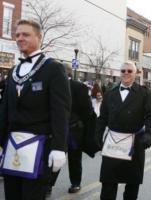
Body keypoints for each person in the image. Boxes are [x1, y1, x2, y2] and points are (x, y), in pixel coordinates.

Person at [0, 19, 71, 200]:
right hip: (13, 147)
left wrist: (59, 147)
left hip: (40, 148)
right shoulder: (14, 70)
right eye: (17, 35)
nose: (20, 38)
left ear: (39, 37)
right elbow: (5, 111)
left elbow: (61, 112)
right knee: (11, 195)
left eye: (25, 34)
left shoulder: (54, 68)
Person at [95, 61, 151, 200]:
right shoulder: (110, 94)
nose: (126, 73)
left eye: (129, 71)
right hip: (112, 143)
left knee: (132, 185)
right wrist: (97, 136)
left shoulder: (144, 93)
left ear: (135, 74)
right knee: (108, 184)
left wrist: (149, 133)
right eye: (123, 70)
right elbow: (102, 118)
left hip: (134, 144)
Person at [47, 63, 96, 196]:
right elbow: (88, 110)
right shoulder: (76, 86)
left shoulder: (76, 87)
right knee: (65, 157)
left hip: (68, 130)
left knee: (63, 157)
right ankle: (70, 183)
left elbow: (87, 110)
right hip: (66, 129)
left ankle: (52, 185)